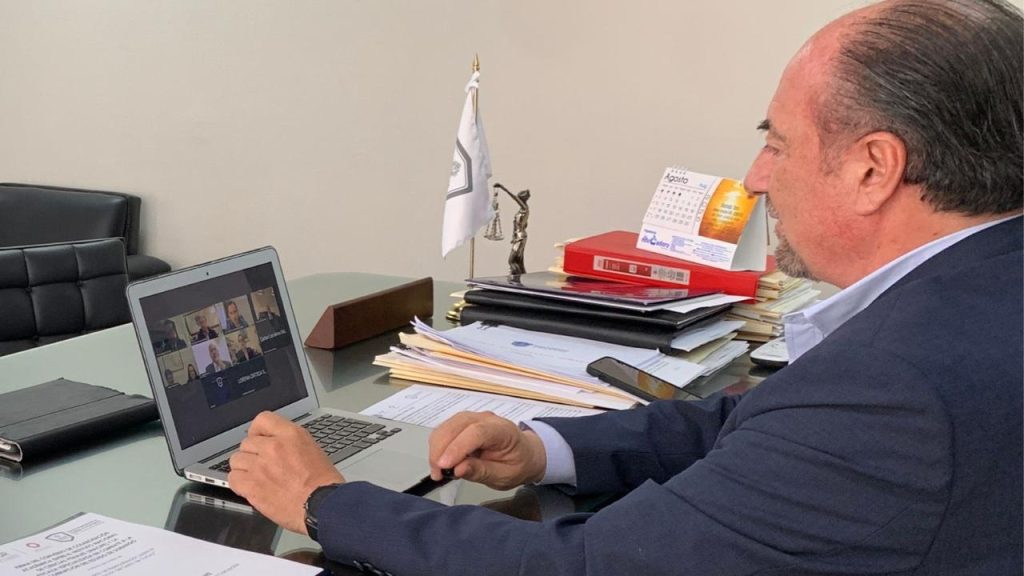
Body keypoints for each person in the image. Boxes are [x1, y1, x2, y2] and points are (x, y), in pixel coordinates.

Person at [226, 1, 1022, 574]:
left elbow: (588, 566)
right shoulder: (980, 293)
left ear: (874, 168)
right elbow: (759, 425)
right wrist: (547, 449)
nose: (756, 177)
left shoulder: (898, 386)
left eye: (777, 145)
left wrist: (324, 502)